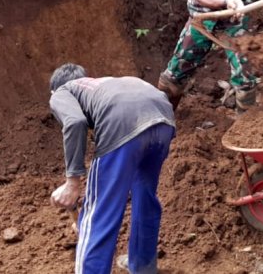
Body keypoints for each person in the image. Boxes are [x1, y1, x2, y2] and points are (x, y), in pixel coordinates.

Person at [48, 64, 176, 274]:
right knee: (145, 197)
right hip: (163, 119)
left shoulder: (62, 92)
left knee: (99, 212)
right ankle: (143, 266)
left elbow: (74, 122)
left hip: (123, 125)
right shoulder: (102, 84)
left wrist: (72, 183)